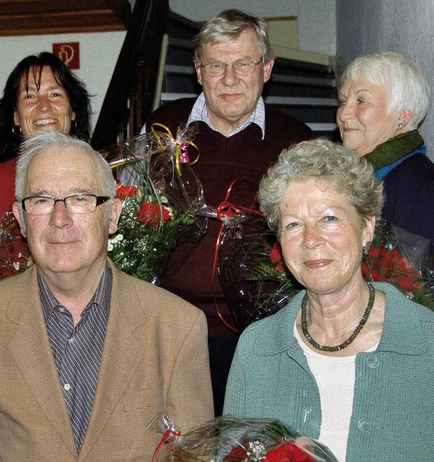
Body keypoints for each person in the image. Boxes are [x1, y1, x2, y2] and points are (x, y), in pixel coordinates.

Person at [0, 132, 213, 461]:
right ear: (20, 219)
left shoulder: (178, 327)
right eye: (41, 200)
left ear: (113, 215)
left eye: (80, 199)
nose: (59, 219)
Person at [143, 8, 314, 413]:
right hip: (169, 332)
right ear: (198, 72)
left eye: (243, 63)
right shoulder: (162, 129)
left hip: (264, 338)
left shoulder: (298, 141)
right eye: (216, 65)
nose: (230, 78)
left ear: (267, 68)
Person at [223, 138, 434, 461]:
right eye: (293, 225)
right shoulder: (257, 349)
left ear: (367, 227)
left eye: (329, 218)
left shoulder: (427, 342)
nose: (311, 240)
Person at [0, 51, 92, 226]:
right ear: (16, 117)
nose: (44, 106)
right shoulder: (0, 180)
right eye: (30, 96)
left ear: (72, 111)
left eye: (55, 94)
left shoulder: (96, 173)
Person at [337, 51, 434, 242]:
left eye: (361, 101)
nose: (343, 114)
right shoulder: (353, 177)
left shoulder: (422, 191)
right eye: (342, 101)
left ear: (402, 116)